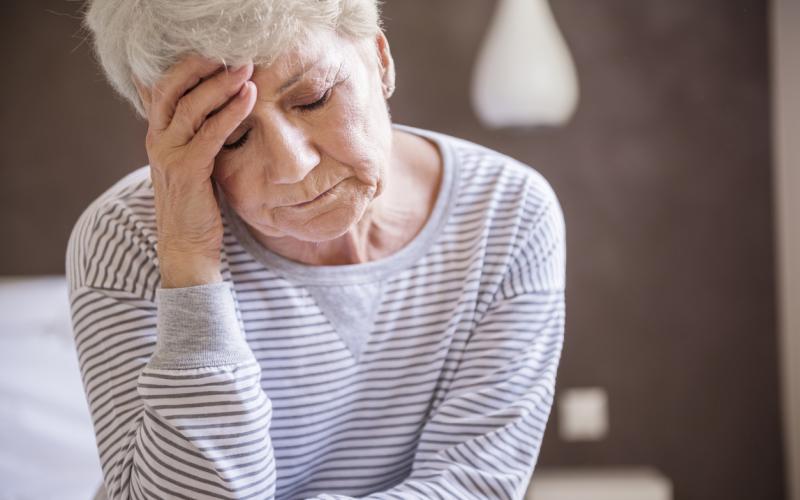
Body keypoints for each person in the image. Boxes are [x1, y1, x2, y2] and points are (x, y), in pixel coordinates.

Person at [67, 1, 567, 498]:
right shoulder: (127, 239)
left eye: (313, 99)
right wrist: (190, 261)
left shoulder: (508, 213)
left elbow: (474, 487)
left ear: (380, 57)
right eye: (232, 137)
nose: (291, 165)